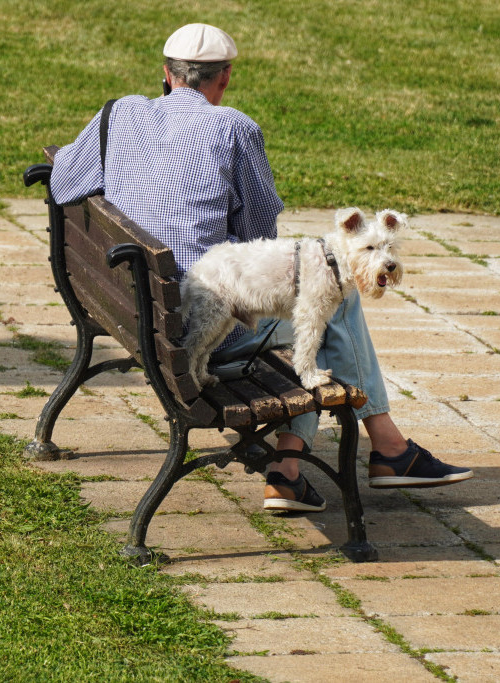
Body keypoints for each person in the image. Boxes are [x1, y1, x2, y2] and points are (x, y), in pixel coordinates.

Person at [50, 23, 473, 512]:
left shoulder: (116, 113)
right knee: (333, 300)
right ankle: (359, 456)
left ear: (166, 74)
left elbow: (63, 182)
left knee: (320, 299)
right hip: (204, 322)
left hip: (132, 307)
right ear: (225, 78)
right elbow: (259, 231)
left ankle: (318, 465)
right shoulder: (234, 128)